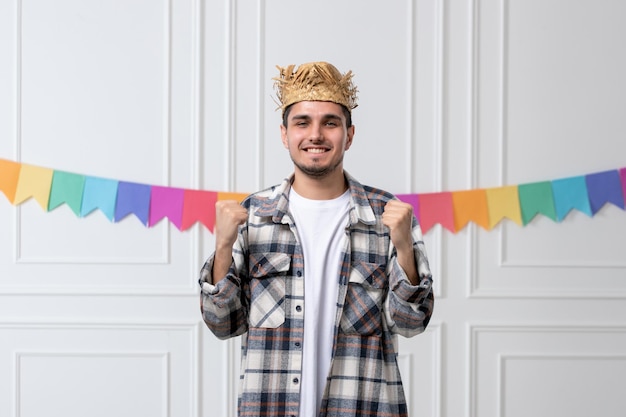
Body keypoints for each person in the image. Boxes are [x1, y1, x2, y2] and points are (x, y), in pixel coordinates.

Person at [199, 61, 434, 417]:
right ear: (284, 134)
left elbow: (411, 323)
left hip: (362, 406)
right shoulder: (254, 215)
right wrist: (222, 248)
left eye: (330, 123)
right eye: (302, 122)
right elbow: (223, 323)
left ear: (349, 135)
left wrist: (403, 247)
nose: (316, 135)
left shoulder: (388, 215)